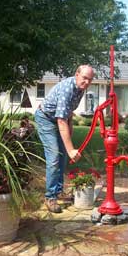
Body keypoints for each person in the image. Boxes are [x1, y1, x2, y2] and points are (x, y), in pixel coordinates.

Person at [35, 65, 94, 213]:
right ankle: (50, 197)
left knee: (62, 157)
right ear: (76, 75)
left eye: (90, 80)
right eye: (84, 78)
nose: (87, 82)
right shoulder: (67, 89)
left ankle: (59, 190)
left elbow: (68, 113)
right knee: (54, 156)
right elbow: (61, 120)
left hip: (60, 119)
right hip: (45, 118)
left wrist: (70, 132)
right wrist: (71, 149)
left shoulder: (80, 89)